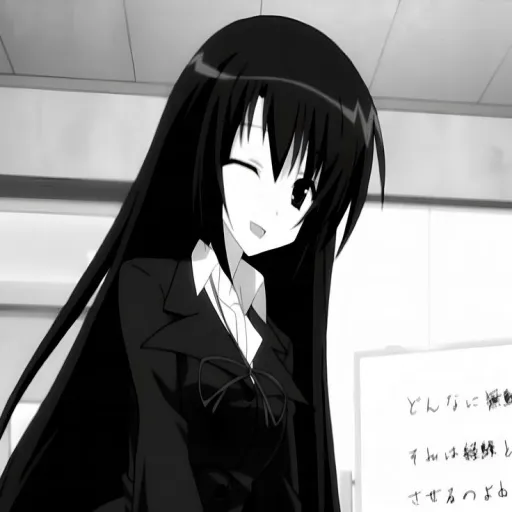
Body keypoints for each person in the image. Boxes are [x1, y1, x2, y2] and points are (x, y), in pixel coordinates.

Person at [0, 15, 385, 512]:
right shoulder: (149, 287)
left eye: (299, 192)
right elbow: (162, 450)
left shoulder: (279, 341)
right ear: (206, 148)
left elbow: (282, 484)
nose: (272, 208)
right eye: (251, 166)